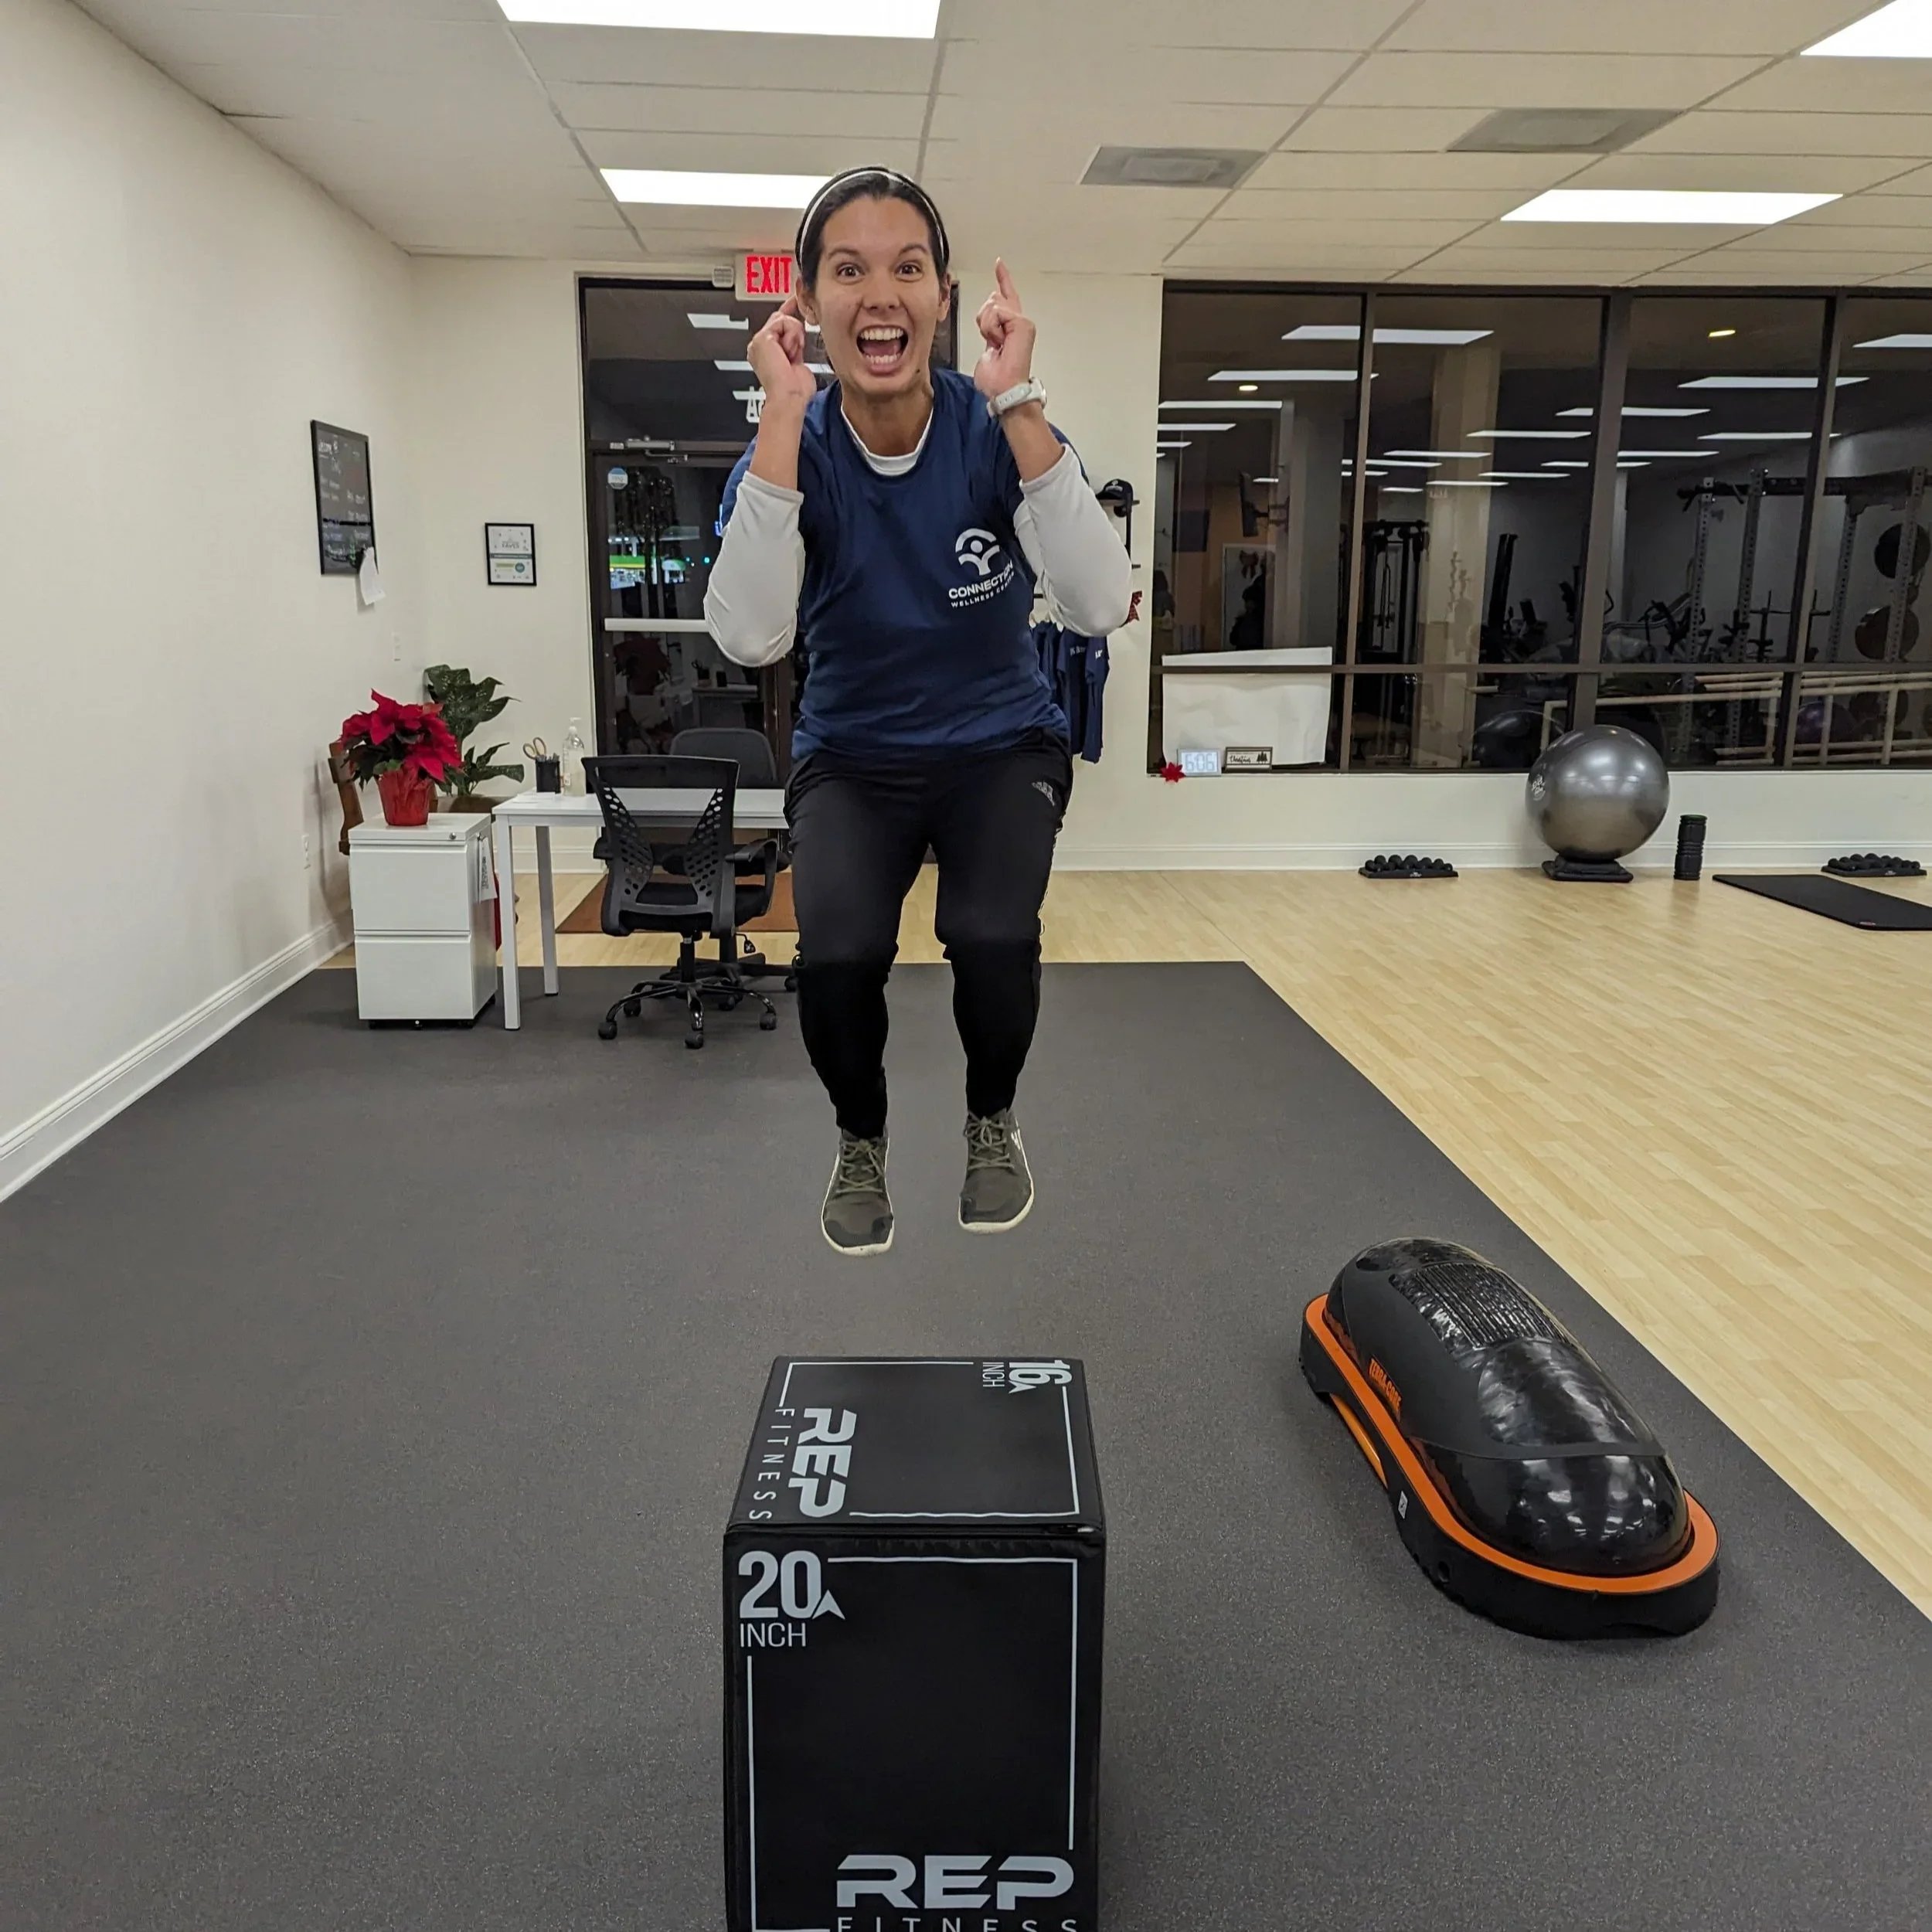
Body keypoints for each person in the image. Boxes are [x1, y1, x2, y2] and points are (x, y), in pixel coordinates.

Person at [705, 167, 1132, 1257]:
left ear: (946, 297)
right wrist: (781, 420)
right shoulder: (788, 451)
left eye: (907, 268)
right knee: (838, 952)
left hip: (999, 746)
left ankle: (993, 1121)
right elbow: (751, 638)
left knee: (988, 932)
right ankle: (863, 1140)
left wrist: (1019, 400)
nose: (879, 294)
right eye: (848, 270)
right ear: (806, 306)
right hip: (853, 756)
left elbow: (1097, 602)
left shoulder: (999, 433)